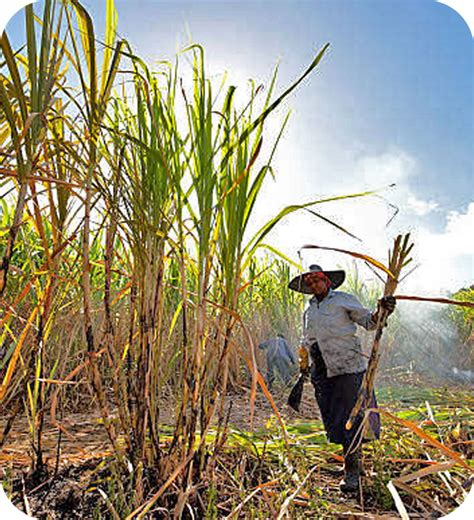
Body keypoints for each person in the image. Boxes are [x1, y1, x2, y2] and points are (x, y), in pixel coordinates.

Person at [288, 264, 396, 493]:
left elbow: (370, 322)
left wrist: (382, 310)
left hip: (347, 367)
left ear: (327, 281)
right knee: (334, 419)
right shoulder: (308, 311)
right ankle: (353, 463)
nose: (314, 284)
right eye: (310, 282)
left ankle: (352, 473)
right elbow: (307, 341)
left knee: (352, 418)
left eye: (318, 279)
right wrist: (304, 366)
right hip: (322, 372)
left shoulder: (342, 300)